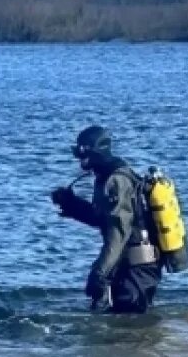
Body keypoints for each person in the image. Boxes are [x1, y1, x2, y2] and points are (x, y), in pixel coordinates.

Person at [50, 125, 162, 314]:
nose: (80, 158)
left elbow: (118, 233)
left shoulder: (117, 181)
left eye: (84, 151)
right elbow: (101, 219)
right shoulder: (104, 177)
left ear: (98, 150)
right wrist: (72, 205)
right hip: (124, 266)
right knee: (118, 331)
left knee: (131, 330)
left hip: (138, 269)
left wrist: (99, 273)